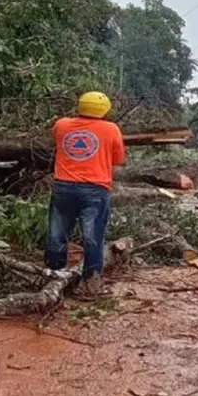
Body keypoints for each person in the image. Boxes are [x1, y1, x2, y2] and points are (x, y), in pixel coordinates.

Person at [45, 91, 126, 291]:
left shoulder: (62, 125)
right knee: (93, 236)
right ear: (104, 110)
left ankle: (53, 274)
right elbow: (118, 159)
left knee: (57, 233)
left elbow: (56, 140)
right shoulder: (111, 129)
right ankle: (91, 281)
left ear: (79, 106)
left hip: (63, 186)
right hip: (95, 189)